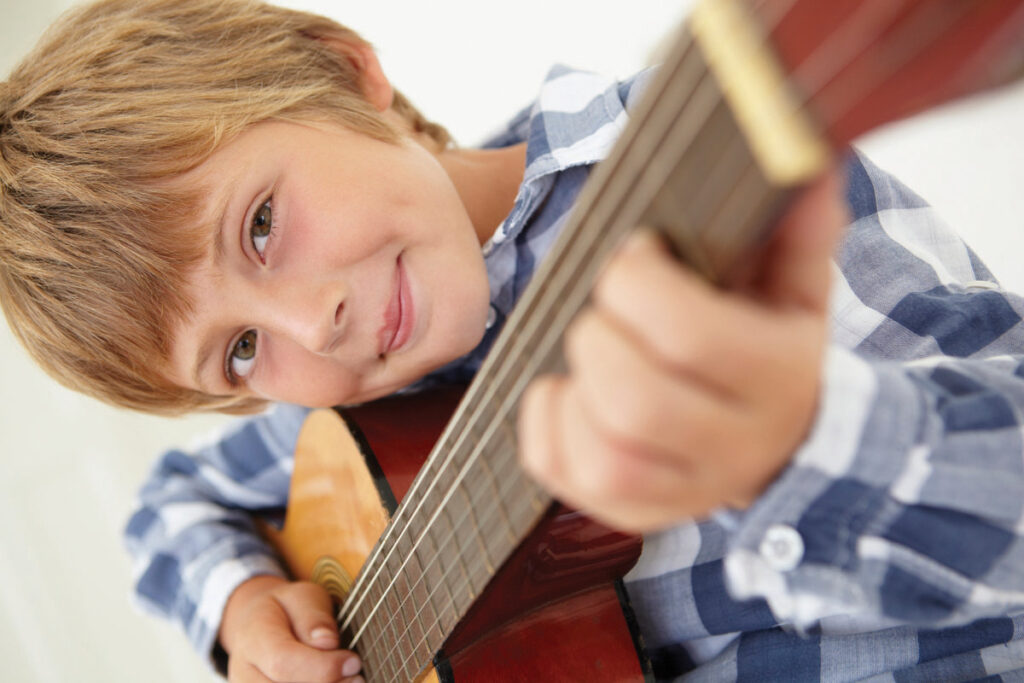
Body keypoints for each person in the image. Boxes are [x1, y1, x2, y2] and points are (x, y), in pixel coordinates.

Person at [3, 0, 1024, 680]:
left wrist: (796, 447)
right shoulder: (346, 403)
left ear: (338, 70)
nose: (311, 324)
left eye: (261, 225)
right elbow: (171, 502)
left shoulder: (695, 183)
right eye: (236, 353)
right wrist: (240, 608)